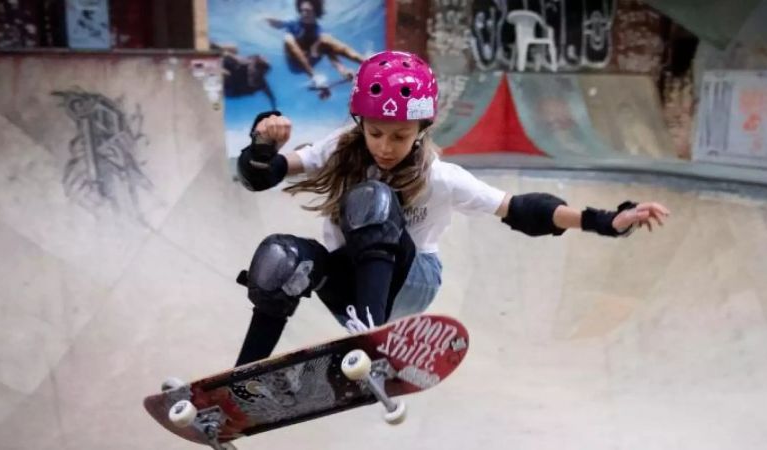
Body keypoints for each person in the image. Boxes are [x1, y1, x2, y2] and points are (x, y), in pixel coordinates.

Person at [233, 51, 670, 366]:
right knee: (281, 258)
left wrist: (607, 220)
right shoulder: (338, 149)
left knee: (372, 201)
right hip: (352, 286)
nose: (386, 147)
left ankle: (368, 339)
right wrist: (261, 146)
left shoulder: (441, 176)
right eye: (377, 132)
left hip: (410, 282)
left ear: (422, 129)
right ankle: (240, 384)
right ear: (360, 123)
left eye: (401, 136)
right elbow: (265, 174)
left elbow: (519, 209)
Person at [266, 0, 365, 97]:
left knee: (325, 39)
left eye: (307, 11)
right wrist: (264, 18)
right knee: (288, 38)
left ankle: (365, 61)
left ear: (315, 12)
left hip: (309, 58)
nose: (304, 14)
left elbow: (329, 52)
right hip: (294, 63)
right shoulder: (293, 22)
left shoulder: (318, 31)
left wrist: (343, 70)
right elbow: (278, 24)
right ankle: (315, 77)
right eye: (302, 11)